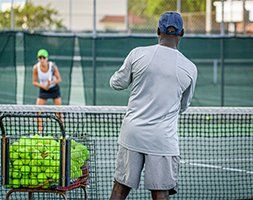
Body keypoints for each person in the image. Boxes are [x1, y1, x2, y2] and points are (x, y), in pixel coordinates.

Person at [109, 11, 197, 200]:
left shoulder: (137, 54)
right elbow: (183, 105)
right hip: (163, 139)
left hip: (132, 134)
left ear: (158, 31)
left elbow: (117, 83)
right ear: (182, 34)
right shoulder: (190, 69)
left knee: (120, 187)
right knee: (160, 193)